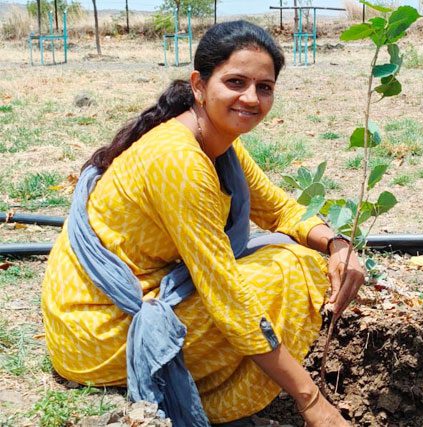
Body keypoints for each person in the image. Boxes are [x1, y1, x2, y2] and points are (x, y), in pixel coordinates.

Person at [41, 21, 365, 427]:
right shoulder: (179, 161)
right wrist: (314, 404)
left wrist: (337, 244)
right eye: (235, 82)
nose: (251, 98)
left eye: (264, 87)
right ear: (199, 84)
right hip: (94, 330)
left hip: (131, 304)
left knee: (296, 259)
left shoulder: (218, 144)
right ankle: (206, 406)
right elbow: (226, 295)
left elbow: (279, 209)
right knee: (284, 275)